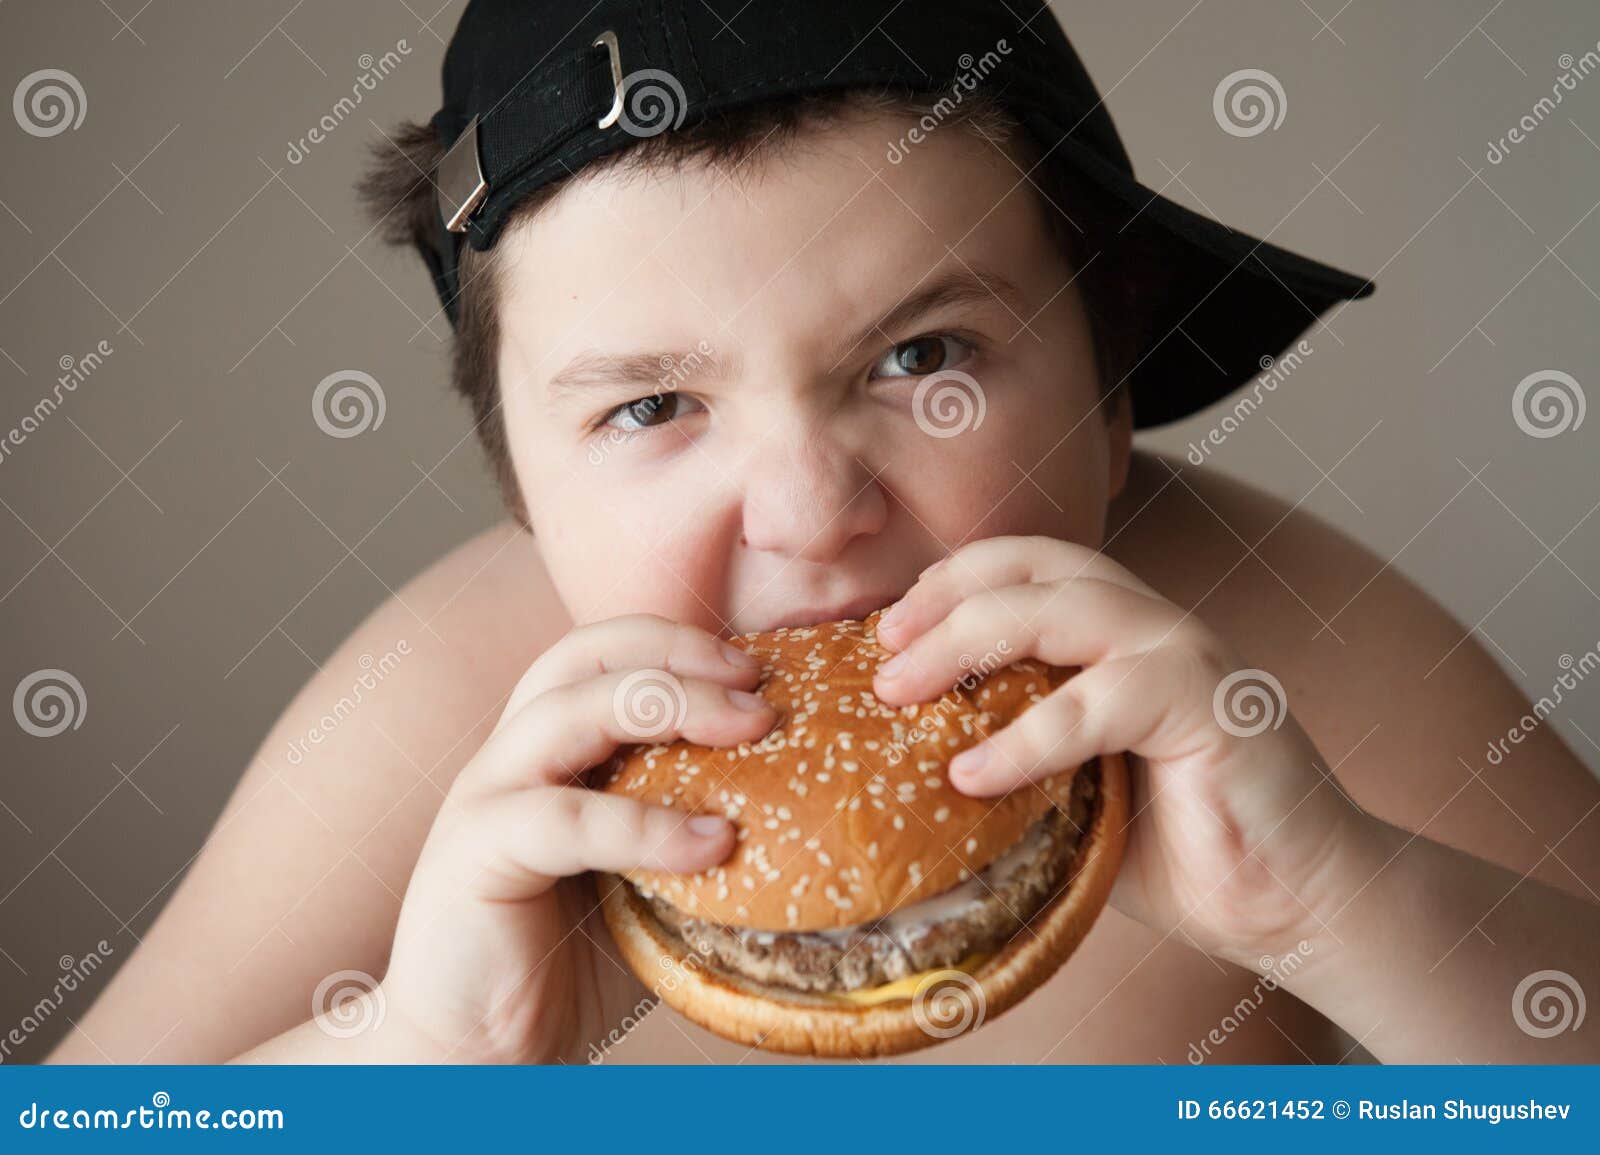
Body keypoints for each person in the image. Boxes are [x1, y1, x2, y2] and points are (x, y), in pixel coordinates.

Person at [51, 0, 1600, 1065]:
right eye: (653, 405)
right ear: (522, 490)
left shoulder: (1271, 663)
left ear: (1108, 387)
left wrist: (1342, 903)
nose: (809, 518)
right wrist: (415, 1056)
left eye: (921, 358)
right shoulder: (444, 716)